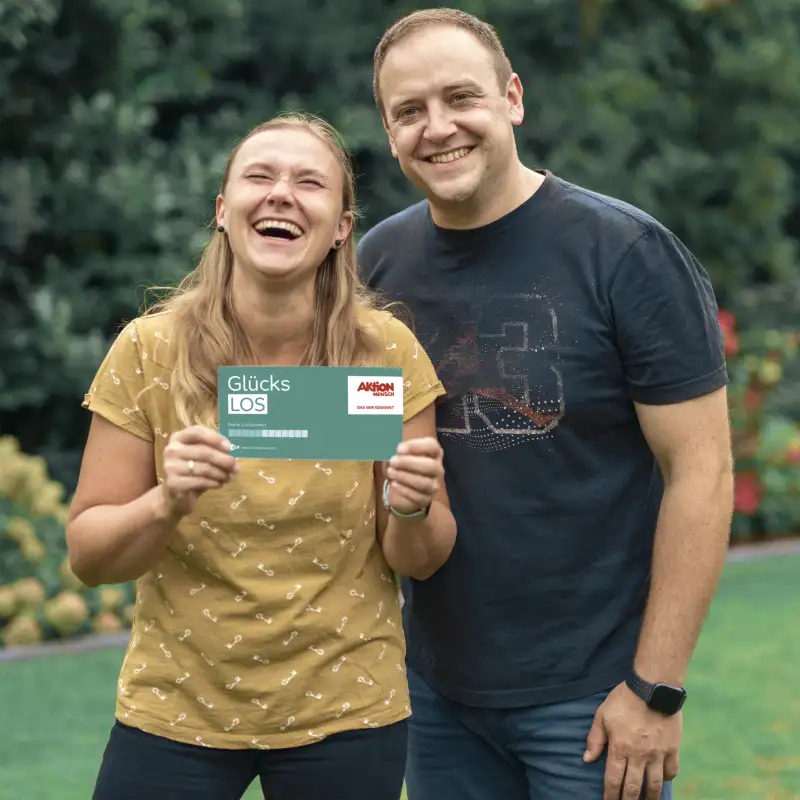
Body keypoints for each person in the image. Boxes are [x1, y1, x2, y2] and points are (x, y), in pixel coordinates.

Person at [358, 9, 734, 800]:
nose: (438, 128)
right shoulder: (377, 262)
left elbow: (701, 470)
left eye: (461, 98)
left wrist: (656, 689)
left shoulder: (627, 254)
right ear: (388, 131)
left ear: (513, 99)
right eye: (409, 111)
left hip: (595, 703)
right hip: (435, 695)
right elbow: (345, 440)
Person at [66, 111, 457, 800]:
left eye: (310, 182)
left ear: (340, 226)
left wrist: (413, 506)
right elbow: (89, 556)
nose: (281, 193)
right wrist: (166, 500)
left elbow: (417, 557)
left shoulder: (384, 351)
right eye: (260, 176)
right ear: (224, 210)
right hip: (177, 708)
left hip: (347, 707)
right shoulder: (149, 351)